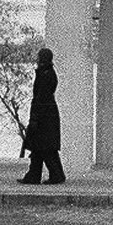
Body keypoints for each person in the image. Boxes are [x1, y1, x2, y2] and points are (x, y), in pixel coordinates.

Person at [18, 47, 65, 185]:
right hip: (47, 114)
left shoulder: (45, 74)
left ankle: (56, 175)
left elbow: (41, 98)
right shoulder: (47, 73)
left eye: (39, 57)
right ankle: (34, 175)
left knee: (45, 147)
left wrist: (35, 118)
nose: (37, 59)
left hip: (44, 116)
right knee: (39, 147)